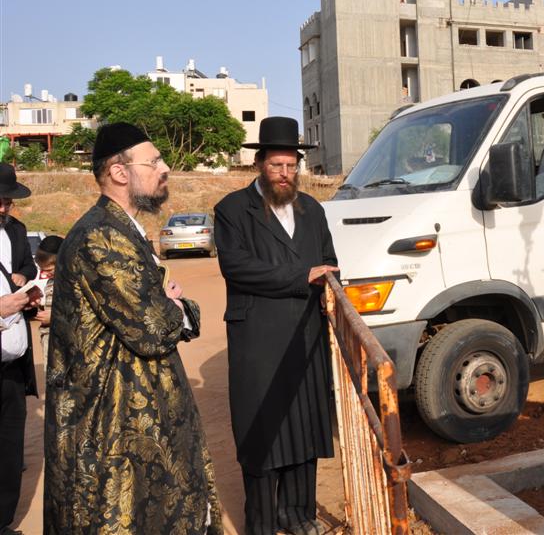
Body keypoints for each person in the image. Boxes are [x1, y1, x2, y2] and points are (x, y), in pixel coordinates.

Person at [43, 122, 222, 533]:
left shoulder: (121, 229)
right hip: (109, 427)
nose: (165, 169)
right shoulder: (101, 235)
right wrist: (178, 307)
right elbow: (152, 326)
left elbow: (153, 307)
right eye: (154, 160)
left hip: (134, 417)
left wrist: (167, 304)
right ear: (120, 173)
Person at [214, 116, 339, 535]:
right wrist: (301, 276)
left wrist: (330, 277)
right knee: (263, 429)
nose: (285, 174)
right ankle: (263, 524)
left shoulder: (313, 210)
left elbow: (329, 260)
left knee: (304, 426)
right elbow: (237, 267)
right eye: (276, 166)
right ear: (259, 164)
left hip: (306, 336)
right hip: (259, 342)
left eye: (291, 166)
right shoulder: (233, 210)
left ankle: (299, 516)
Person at [0, 165, 40, 535]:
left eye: (8, 202)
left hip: (12, 360)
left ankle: (3, 522)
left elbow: (28, 263)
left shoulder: (16, 230)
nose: (3, 208)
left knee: (10, 449)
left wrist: (24, 278)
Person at [31, 235, 63, 381]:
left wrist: (54, 317)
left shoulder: (73, 283)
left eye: (49, 269)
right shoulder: (51, 282)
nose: (46, 273)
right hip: (48, 342)